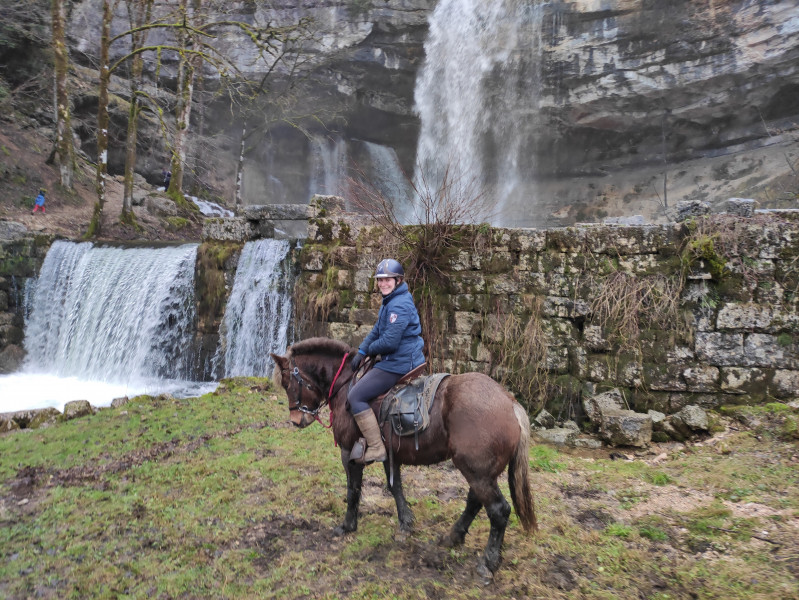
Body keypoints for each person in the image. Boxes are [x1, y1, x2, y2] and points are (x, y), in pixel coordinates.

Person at [348, 258, 425, 463]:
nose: (383, 283)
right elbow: (377, 331)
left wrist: (371, 352)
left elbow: (390, 342)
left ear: (398, 280)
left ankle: (376, 447)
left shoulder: (398, 305)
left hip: (400, 362)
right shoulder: (390, 300)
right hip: (395, 358)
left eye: (387, 280)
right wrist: (362, 351)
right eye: (380, 280)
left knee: (356, 396)